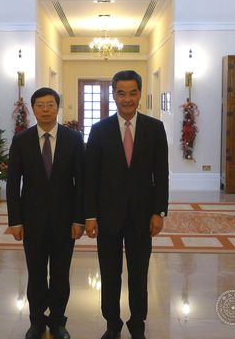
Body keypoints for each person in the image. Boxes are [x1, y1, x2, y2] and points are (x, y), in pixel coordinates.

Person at [84, 70, 169, 339]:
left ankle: (137, 324)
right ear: (114, 95)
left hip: (142, 216)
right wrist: (90, 215)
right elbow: (90, 176)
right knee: (110, 274)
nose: (127, 99)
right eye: (121, 93)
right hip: (107, 216)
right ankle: (112, 324)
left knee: (139, 274)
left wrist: (159, 211)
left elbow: (161, 174)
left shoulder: (155, 128)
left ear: (140, 94)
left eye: (132, 93)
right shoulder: (99, 130)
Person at [6, 87, 85, 339]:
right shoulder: (21, 140)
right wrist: (15, 221)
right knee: (36, 273)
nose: (46, 110)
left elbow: (81, 182)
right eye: (40, 105)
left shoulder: (74, 139)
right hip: (32, 220)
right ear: (33, 109)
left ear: (58, 108)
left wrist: (79, 219)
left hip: (65, 221)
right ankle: (37, 321)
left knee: (61, 274)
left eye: (50, 105)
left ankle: (58, 322)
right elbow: (13, 183)